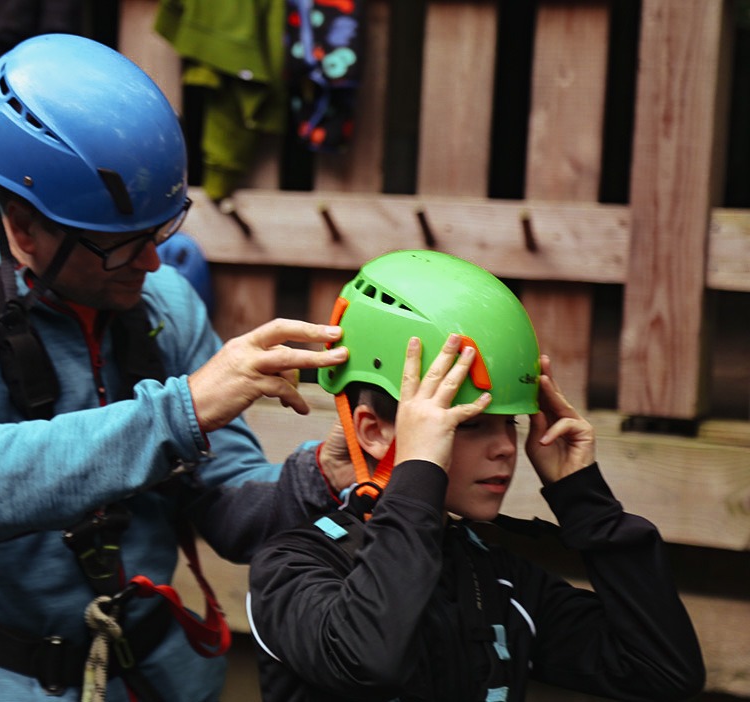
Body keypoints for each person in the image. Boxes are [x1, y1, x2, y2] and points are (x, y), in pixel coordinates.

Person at [0, 34, 353, 701]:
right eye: (121, 248)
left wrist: (323, 478)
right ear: (23, 226)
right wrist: (180, 412)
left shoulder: (162, 305)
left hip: (160, 674)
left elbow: (227, 507)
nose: (153, 264)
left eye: (160, 233)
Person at [247, 250, 706, 702]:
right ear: (374, 431)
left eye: (512, 422)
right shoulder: (292, 567)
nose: (507, 446)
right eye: (467, 424)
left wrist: (585, 501)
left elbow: (662, 671)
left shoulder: (498, 578)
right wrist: (418, 474)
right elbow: (368, 660)